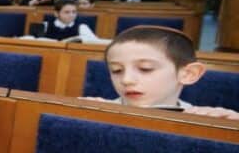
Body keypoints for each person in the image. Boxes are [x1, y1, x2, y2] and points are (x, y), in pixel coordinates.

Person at [84, 26, 239, 118]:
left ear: (189, 74)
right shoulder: (95, 111)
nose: (127, 80)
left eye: (145, 69)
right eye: (116, 70)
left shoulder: (205, 118)